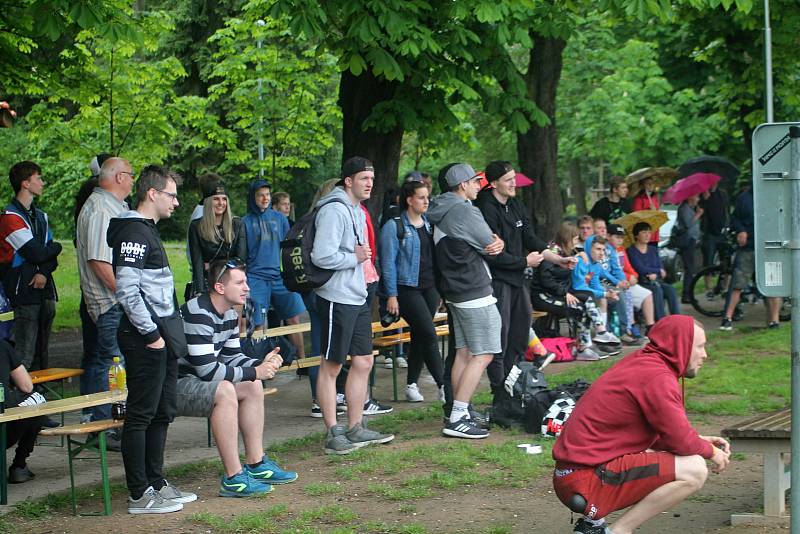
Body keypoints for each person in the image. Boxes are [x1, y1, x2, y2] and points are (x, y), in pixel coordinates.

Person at [552, 315, 731, 534]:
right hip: (584, 478)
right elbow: (680, 441)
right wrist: (711, 451)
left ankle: (593, 526)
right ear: (680, 345)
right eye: (700, 347)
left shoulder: (644, 363)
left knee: (676, 454)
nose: (705, 354)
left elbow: (663, 434)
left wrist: (699, 441)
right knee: (694, 469)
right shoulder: (657, 376)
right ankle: (616, 532)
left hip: (574, 472)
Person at [107, 165, 196, 514]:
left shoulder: (147, 230)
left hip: (162, 336)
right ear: (153, 194)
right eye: (171, 195)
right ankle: (139, 494)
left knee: (162, 411)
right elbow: (128, 292)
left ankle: (156, 482)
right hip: (145, 337)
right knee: (142, 415)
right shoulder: (132, 232)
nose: (175, 202)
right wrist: (152, 335)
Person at [179, 259, 297, 497]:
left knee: (251, 385)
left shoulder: (230, 315)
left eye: (246, 282)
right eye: (240, 282)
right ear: (220, 288)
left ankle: (256, 464)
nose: (247, 288)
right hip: (173, 383)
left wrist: (261, 364)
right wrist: (257, 371)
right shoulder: (197, 312)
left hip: (197, 379)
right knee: (224, 389)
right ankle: (233, 478)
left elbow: (232, 357)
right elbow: (208, 371)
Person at [312, 156, 394, 455]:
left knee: (364, 361)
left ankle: (356, 426)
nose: (369, 183)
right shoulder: (333, 210)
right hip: (336, 296)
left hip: (357, 295)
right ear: (348, 181)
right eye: (363, 179)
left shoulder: (358, 210)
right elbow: (322, 256)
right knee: (332, 365)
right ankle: (333, 431)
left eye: (371, 179)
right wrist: (354, 258)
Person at [476, 160, 573, 402]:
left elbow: (530, 238)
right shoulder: (485, 207)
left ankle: (514, 383)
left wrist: (558, 259)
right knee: (501, 336)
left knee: (520, 333)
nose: (513, 184)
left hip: (519, 278)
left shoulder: (516, 204)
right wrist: (524, 262)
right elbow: (493, 253)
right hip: (497, 280)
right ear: (495, 182)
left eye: (513, 179)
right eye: (508, 180)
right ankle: (499, 391)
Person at [427, 163, 504, 439]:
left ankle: (458, 410)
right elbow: (489, 244)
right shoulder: (464, 210)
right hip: (474, 290)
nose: (478, 185)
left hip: (456, 291)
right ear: (462, 185)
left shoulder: (441, 209)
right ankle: (459, 415)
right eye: (475, 181)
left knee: (464, 351)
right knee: (484, 352)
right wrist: (499, 242)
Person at [75, 157, 134, 449]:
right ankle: (103, 427)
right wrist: (126, 293)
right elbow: (99, 260)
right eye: (131, 175)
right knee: (111, 363)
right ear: (120, 177)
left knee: (108, 360)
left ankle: (108, 423)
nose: (134, 180)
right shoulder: (99, 209)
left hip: (114, 301)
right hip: (109, 302)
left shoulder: (115, 206)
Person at [379, 180, 444, 403]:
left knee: (419, 334)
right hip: (407, 289)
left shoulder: (428, 224)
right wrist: (391, 294)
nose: (426, 201)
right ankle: (444, 386)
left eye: (427, 197)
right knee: (428, 333)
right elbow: (387, 263)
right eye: (421, 197)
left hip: (429, 287)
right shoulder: (394, 226)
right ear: (409, 200)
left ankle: (411, 384)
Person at [0, 161, 61, 371]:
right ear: (25, 183)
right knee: (24, 349)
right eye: (38, 178)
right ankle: (19, 396)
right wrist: (55, 248)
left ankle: (40, 395)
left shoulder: (41, 216)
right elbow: (35, 252)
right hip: (22, 289)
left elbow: (49, 255)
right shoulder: (10, 217)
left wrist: (43, 272)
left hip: (44, 289)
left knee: (42, 348)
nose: (42, 183)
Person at [241, 179, 306, 360]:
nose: (265, 198)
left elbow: (288, 248)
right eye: (260, 195)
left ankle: (302, 361)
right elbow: (241, 255)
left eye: (267, 194)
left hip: (279, 277)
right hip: (255, 278)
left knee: (294, 319)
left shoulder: (280, 219)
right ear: (253, 197)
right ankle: (257, 366)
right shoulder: (244, 222)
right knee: (255, 324)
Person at [530, 224, 614, 361]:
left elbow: (572, 259)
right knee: (579, 308)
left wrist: (580, 253)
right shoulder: (552, 252)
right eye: (574, 239)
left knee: (587, 298)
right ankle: (584, 345)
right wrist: (564, 293)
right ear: (566, 239)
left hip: (558, 293)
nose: (576, 242)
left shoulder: (567, 252)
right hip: (543, 296)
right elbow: (546, 280)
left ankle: (591, 341)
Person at [720, 183, 781, 330]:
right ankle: (727, 318)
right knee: (737, 284)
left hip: (770, 247)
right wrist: (740, 230)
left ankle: (774, 320)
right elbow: (735, 219)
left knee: (773, 284)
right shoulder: (744, 198)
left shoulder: (776, 197)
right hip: (748, 247)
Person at [187, 180, 246, 297]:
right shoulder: (196, 226)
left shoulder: (237, 224)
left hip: (232, 281)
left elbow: (240, 259)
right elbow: (197, 262)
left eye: (224, 199)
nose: (221, 203)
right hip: (208, 281)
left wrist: (213, 265)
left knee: (235, 315)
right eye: (216, 199)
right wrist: (199, 290)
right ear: (208, 202)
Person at [1, 339, 45, 484]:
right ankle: (19, 465)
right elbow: (26, 386)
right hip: (4, 432)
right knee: (36, 400)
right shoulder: (3, 346)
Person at [607, 224, 655, 340]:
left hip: (626, 281)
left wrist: (633, 275)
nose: (620, 240)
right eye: (616, 237)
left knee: (647, 294)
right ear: (608, 236)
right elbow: (610, 271)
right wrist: (627, 278)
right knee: (625, 294)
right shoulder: (606, 250)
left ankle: (650, 327)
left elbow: (628, 267)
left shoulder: (621, 250)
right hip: (616, 283)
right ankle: (630, 326)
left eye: (621, 237)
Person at [627, 222, 679, 320]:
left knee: (671, 290)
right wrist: (658, 271)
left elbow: (661, 267)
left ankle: (677, 319)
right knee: (657, 291)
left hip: (656, 281)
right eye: (644, 232)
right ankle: (661, 321)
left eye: (649, 232)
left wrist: (657, 272)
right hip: (642, 282)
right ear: (636, 235)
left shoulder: (653, 249)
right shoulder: (631, 251)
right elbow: (640, 268)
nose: (647, 235)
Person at [700, 183, 728, 297]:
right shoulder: (703, 195)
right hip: (709, 234)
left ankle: (724, 287)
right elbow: (699, 211)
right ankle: (709, 289)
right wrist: (705, 200)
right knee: (708, 262)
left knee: (725, 261)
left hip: (722, 232)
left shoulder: (722, 194)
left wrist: (727, 226)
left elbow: (726, 211)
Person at [676, 194, 703, 304]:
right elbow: (688, 224)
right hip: (687, 242)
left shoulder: (690, 208)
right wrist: (698, 214)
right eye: (696, 197)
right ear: (690, 197)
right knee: (689, 268)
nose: (698, 199)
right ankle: (687, 294)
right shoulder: (685, 208)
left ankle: (688, 294)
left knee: (691, 268)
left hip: (691, 240)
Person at [630, 176, 662, 244]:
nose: (651, 185)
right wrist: (650, 212)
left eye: (652, 183)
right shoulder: (639, 199)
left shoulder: (654, 198)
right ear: (643, 185)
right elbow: (637, 217)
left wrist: (655, 212)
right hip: (644, 235)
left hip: (655, 234)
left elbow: (658, 215)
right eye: (648, 183)